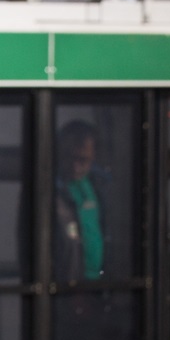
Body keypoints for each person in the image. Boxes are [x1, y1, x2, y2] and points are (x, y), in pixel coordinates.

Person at [55, 119, 107, 282]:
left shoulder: (101, 185)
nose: (75, 167)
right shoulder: (52, 190)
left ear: (94, 157)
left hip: (102, 281)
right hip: (68, 284)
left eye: (83, 160)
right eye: (70, 158)